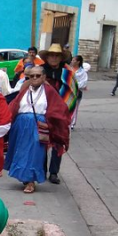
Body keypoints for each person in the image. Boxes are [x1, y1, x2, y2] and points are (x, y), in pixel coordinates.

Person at [4, 65, 70, 194]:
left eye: (37, 76)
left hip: (37, 125)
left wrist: (51, 123)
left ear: (44, 77)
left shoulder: (49, 91)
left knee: (34, 153)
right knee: (21, 152)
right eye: (31, 76)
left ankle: (30, 181)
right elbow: (15, 104)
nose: (34, 78)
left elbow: (59, 109)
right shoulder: (24, 89)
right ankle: (24, 177)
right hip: (20, 125)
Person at [38, 44, 78, 184]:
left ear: (61, 58)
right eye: (51, 55)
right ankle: (41, 170)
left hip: (61, 114)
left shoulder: (67, 74)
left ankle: (54, 172)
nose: (54, 58)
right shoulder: (40, 71)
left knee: (58, 143)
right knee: (42, 141)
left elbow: (73, 93)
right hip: (43, 111)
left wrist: (64, 109)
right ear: (47, 57)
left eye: (57, 55)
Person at [70, 55, 88, 129]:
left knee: (75, 108)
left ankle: (72, 123)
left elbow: (83, 83)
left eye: (74, 60)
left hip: (77, 92)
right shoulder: (69, 69)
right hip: (69, 91)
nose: (72, 61)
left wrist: (75, 85)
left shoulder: (82, 72)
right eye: (72, 60)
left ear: (78, 62)